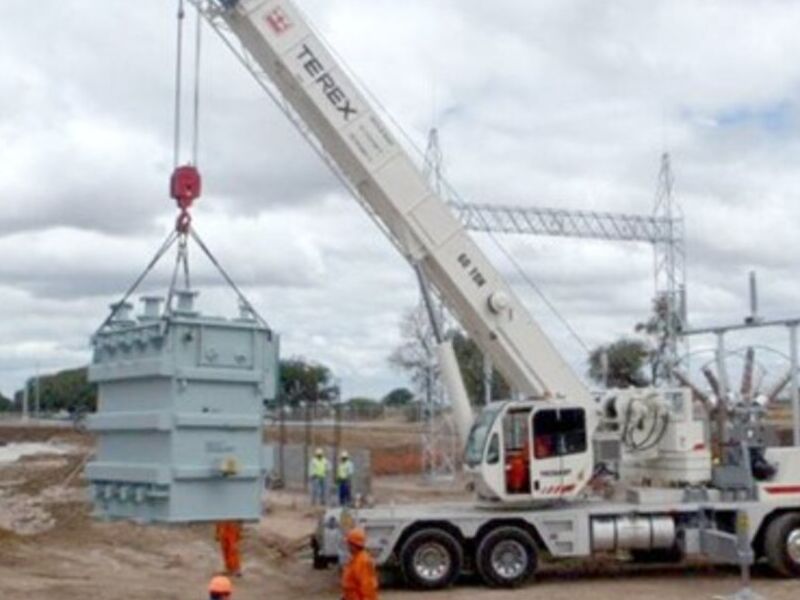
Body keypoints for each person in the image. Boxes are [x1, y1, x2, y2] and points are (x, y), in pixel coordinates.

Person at [341, 528, 379, 600]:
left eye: (349, 543)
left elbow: (368, 587)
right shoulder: (355, 558)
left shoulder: (363, 561)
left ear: (354, 545)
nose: (347, 546)